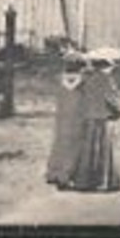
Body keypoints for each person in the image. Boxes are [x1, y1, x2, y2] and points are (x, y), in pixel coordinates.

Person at [65, 48, 120, 192]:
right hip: (102, 117)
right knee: (103, 150)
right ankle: (103, 181)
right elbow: (111, 99)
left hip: (86, 117)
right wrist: (119, 111)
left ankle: (84, 181)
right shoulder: (106, 80)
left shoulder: (84, 78)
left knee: (87, 149)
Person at [45, 50, 87, 188]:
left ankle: (55, 172)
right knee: (75, 144)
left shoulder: (60, 80)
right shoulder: (84, 82)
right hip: (78, 115)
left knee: (60, 143)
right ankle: (69, 174)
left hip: (62, 117)